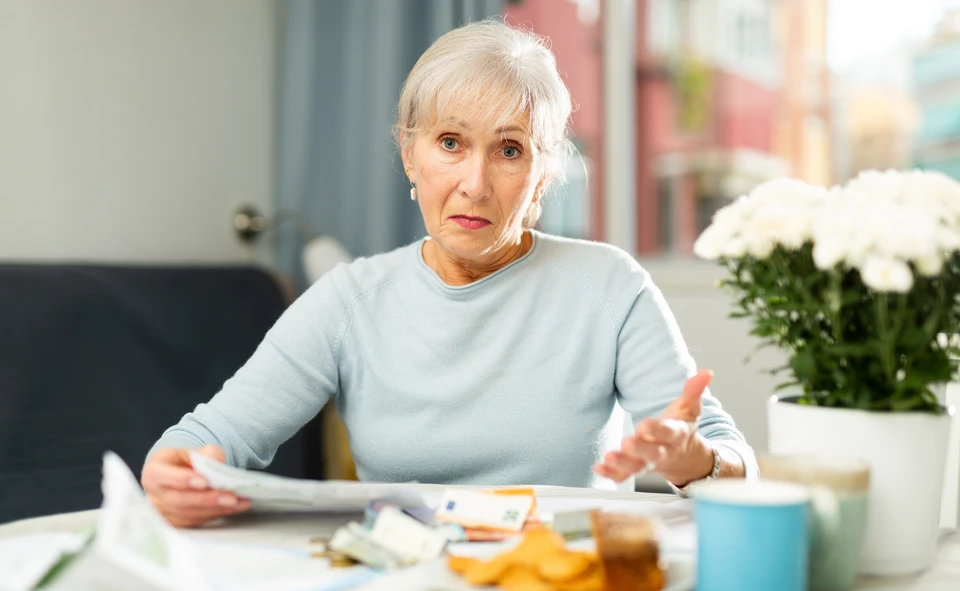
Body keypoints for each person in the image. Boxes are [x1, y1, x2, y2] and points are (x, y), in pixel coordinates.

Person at [141, 19, 758, 528]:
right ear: (410, 153)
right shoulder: (349, 300)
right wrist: (173, 472)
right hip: (403, 584)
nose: (475, 183)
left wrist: (695, 460)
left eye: (510, 150)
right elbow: (210, 435)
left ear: (544, 175)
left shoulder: (610, 286)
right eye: (450, 142)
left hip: (560, 590)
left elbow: (734, 459)